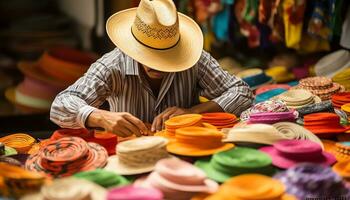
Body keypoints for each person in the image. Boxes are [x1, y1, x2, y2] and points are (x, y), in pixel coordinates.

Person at [50, 0, 253, 137]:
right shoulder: (112, 65)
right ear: (135, 49)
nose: (157, 65)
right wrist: (101, 117)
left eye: (165, 56)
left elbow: (243, 93)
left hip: (184, 153)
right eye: (150, 56)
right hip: (128, 156)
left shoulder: (195, 61)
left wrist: (192, 112)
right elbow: (60, 106)